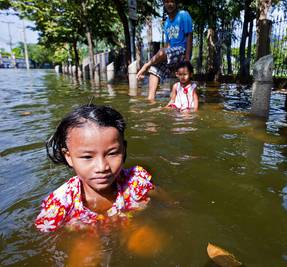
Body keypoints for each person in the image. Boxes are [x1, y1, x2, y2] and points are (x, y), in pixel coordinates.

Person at [35, 104, 155, 233]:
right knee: (85, 250)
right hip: (85, 235)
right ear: (69, 157)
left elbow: (171, 204)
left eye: (112, 153)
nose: (102, 167)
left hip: (131, 227)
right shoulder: (59, 204)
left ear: (123, 150)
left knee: (145, 239)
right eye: (87, 157)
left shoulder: (136, 182)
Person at [136, 0, 193, 100]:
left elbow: (189, 36)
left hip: (182, 51)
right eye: (166, 1)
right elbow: (168, 45)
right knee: (154, 68)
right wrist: (162, 58)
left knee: (161, 52)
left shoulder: (183, 15)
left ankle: (146, 65)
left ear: (176, 3)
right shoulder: (167, 23)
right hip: (171, 54)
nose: (169, 4)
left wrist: (187, 59)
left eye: (172, 1)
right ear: (163, 3)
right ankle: (150, 99)